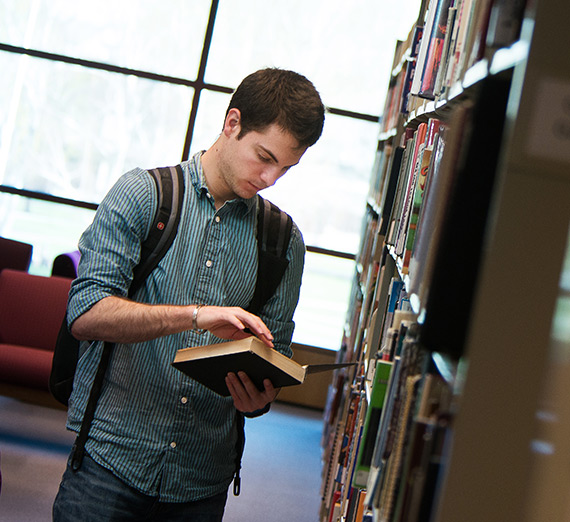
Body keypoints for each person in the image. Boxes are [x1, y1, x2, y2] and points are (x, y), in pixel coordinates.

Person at [52, 68, 325, 521]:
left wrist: (261, 397)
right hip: (109, 462)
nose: (271, 177)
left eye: (286, 167)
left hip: (201, 483)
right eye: (264, 156)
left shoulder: (282, 242)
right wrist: (194, 316)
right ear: (232, 123)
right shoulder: (143, 195)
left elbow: (275, 353)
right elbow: (85, 313)